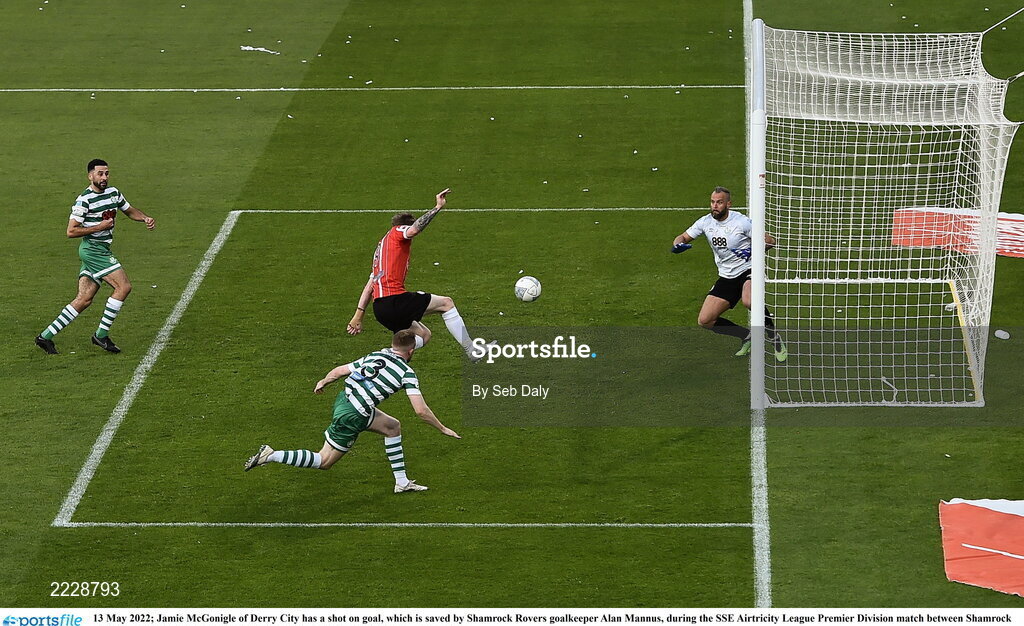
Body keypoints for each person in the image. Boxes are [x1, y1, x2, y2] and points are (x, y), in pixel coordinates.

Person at [244, 329, 461, 493]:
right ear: (412, 351)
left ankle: (402, 482)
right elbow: (421, 411)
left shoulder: (377, 355)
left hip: (345, 400)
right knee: (325, 461)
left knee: (392, 427)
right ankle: (271, 455)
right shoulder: (406, 373)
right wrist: (442, 428)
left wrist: (323, 381)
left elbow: (340, 371)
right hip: (354, 414)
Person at [345, 188, 490, 360]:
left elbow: (370, 286)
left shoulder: (380, 251)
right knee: (446, 304)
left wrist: (358, 315)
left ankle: (388, 357)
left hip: (381, 310)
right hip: (394, 301)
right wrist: (437, 207)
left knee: (424, 335)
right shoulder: (397, 232)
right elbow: (414, 230)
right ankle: (471, 349)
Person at [35, 159, 156, 355]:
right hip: (93, 251)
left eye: (107, 173)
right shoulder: (84, 200)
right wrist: (99, 227)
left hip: (100, 250)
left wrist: (145, 218)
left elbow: (129, 210)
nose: (104, 178)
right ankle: (101, 335)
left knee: (84, 299)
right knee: (123, 287)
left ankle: (45, 336)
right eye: (100, 174)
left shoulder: (113, 193)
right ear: (90, 176)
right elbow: (71, 231)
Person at [672, 186, 787, 362]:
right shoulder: (705, 222)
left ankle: (774, 339)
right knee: (705, 320)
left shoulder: (741, 222)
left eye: (719, 202)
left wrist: (753, 250)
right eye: (712, 202)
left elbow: (771, 241)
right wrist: (677, 245)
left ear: (728, 204)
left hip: (748, 269)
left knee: (749, 300)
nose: (715, 206)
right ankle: (747, 336)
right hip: (727, 276)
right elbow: (683, 236)